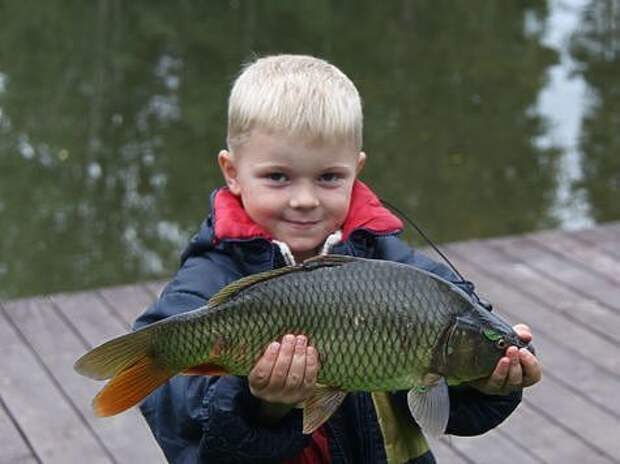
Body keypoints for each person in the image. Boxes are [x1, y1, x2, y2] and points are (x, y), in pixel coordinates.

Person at [134, 54, 542, 464]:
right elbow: (180, 420)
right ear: (232, 171)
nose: (305, 200)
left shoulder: (396, 265)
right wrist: (261, 404)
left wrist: (492, 380)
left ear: (356, 170)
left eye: (329, 177)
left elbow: (456, 394)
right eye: (278, 176)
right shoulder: (212, 273)